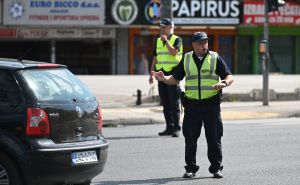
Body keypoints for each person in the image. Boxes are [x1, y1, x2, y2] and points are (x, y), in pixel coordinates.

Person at [152, 32, 233, 178]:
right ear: (194, 44)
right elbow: (175, 79)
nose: (204, 45)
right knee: (190, 139)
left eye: (206, 42)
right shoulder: (187, 58)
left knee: (214, 138)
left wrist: (223, 83)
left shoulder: (214, 57)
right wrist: (164, 78)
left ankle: (216, 168)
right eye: (201, 42)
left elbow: (229, 75)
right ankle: (190, 168)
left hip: (211, 105)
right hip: (192, 106)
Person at [149, 18, 183, 137]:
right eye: (161, 27)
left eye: (164, 27)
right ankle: (169, 127)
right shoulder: (158, 41)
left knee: (174, 103)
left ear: (171, 27)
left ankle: (176, 128)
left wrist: (166, 41)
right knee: (165, 103)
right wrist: (151, 73)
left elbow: (174, 52)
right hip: (160, 74)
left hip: (173, 75)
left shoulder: (177, 39)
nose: (162, 29)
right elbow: (155, 57)